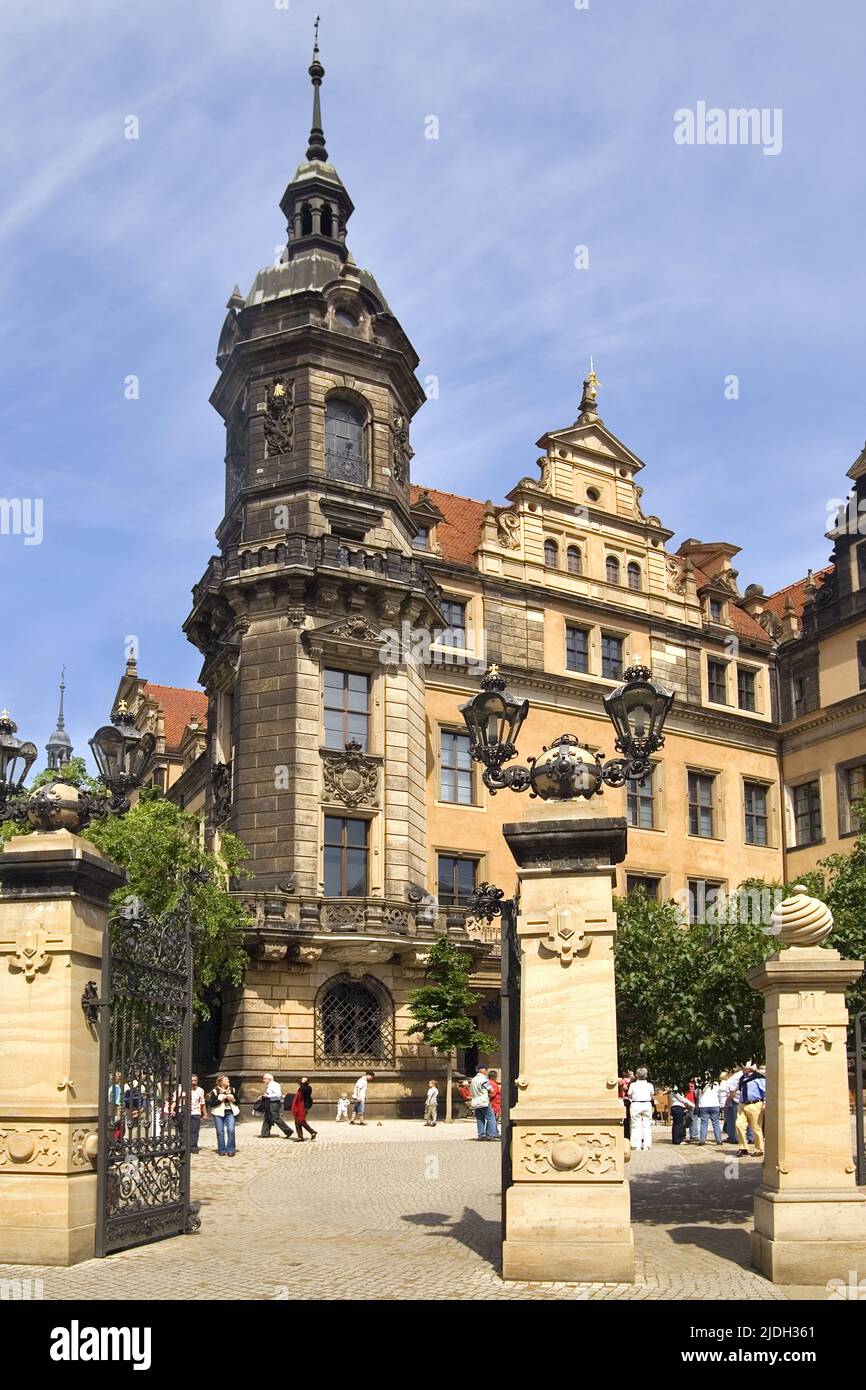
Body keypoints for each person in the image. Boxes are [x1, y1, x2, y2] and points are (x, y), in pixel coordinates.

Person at [735, 1063, 766, 1157]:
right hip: (743, 1104)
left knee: (756, 1128)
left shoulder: (759, 1078)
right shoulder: (742, 1078)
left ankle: (759, 1149)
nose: (742, 1069)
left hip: (755, 1104)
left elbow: (766, 1090)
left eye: (743, 1068)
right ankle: (743, 1147)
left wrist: (765, 1103)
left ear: (749, 1069)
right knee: (739, 1124)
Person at [208, 1075, 239, 1156]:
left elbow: (238, 1101)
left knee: (231, 1130)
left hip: (230, 1113)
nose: (228, 1080)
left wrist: (233, 1099)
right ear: (221, 1082)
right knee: (220, 1132)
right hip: (218, 1113)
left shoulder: (232, 1089)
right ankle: (222, 1150)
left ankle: (231, 1150)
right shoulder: (215, 1091)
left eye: (228, 1079)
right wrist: (220, 1100)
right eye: (226, 1079)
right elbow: (211, 1104)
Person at [258, 1073, 293, 1138]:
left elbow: (278, 1094)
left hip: (274, 1103)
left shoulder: (275, 1084)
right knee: (267, 1117)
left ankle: (288, 1131)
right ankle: (265, 1133)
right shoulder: (270, 1085)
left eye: (264, 1079)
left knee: (275, 1118)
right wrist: (263, 1096)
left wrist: (267, 1096)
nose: (263, 1080)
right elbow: (270, 1093)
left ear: (269, 1079)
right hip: (269, 1102)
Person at [627, 1067, 655, 1150]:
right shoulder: (650, 1085)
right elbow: (652, 1095)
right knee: (647, 1125)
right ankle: (647, 1145)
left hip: (636, 1104)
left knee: (635, 1125)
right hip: (646, 1104)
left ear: (636, 1075)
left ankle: (636, 1145)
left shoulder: (633, 1085)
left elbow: (629, 1095)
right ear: (646, 1075)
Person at [470, 1065, 498, 1141]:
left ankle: (481, 1135)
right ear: (482, 1070)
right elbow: (490, 1089)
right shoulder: (483, 1079)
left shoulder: (473, 1079)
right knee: (491, 1118)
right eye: (486, 1070)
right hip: (483, 1101)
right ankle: (490, 1135)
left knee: (480, 1119)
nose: (486, 1071)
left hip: (475, 1101)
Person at [698, 1076, 724, 1145]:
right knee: (716, 1123)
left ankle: (702, 1140)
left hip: (704, 1105)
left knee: (704, 1123)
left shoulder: (701, 1084)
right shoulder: (716, 1084)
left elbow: (698, 1093)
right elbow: (719, 1094)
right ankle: (719, 1140)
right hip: (714, 1104)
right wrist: (721, 1104)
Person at [290, 1076, 317, 1141]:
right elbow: (298, 1096)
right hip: (298, 1106)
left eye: (305, 1080)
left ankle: (312, 1132)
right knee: (297, 1121)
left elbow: (304, 1090)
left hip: (304, 1106)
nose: (303, 1080)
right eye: (302, 1079)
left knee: (301, 1120)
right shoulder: (301, 1087)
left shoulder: (308, 1088)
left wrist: (302, 1083)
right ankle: (300, 1137)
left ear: (307, 1081)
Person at [189, 1074, 206, 1154]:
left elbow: (202, 1103)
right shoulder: (182, 1089)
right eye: (192, 1080)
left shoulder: (200, 1090)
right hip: (185, 1112)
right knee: (185, 1130)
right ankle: (185, 1145)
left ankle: (193, 1146)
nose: (193, 1082)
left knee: (195, 1131)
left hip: (196, 1112)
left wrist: (204, 1113)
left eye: (195, 1080)